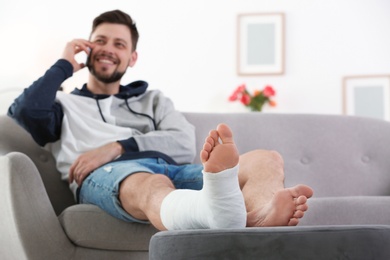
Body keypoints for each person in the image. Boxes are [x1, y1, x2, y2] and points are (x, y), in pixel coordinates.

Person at [8, 9, 313, 231]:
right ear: (86, 49)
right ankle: (219, 214)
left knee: (265, 159)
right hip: (111, 176)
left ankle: (255, 218)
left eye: (119, 44)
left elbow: (182, 142)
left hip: (171, 167)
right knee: (154, 183)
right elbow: (24, 111)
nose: (108, 50)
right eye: (100, 41)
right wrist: (64, 64)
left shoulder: (153, 100)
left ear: (132, 58)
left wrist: (117, 146)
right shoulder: (63, 104)